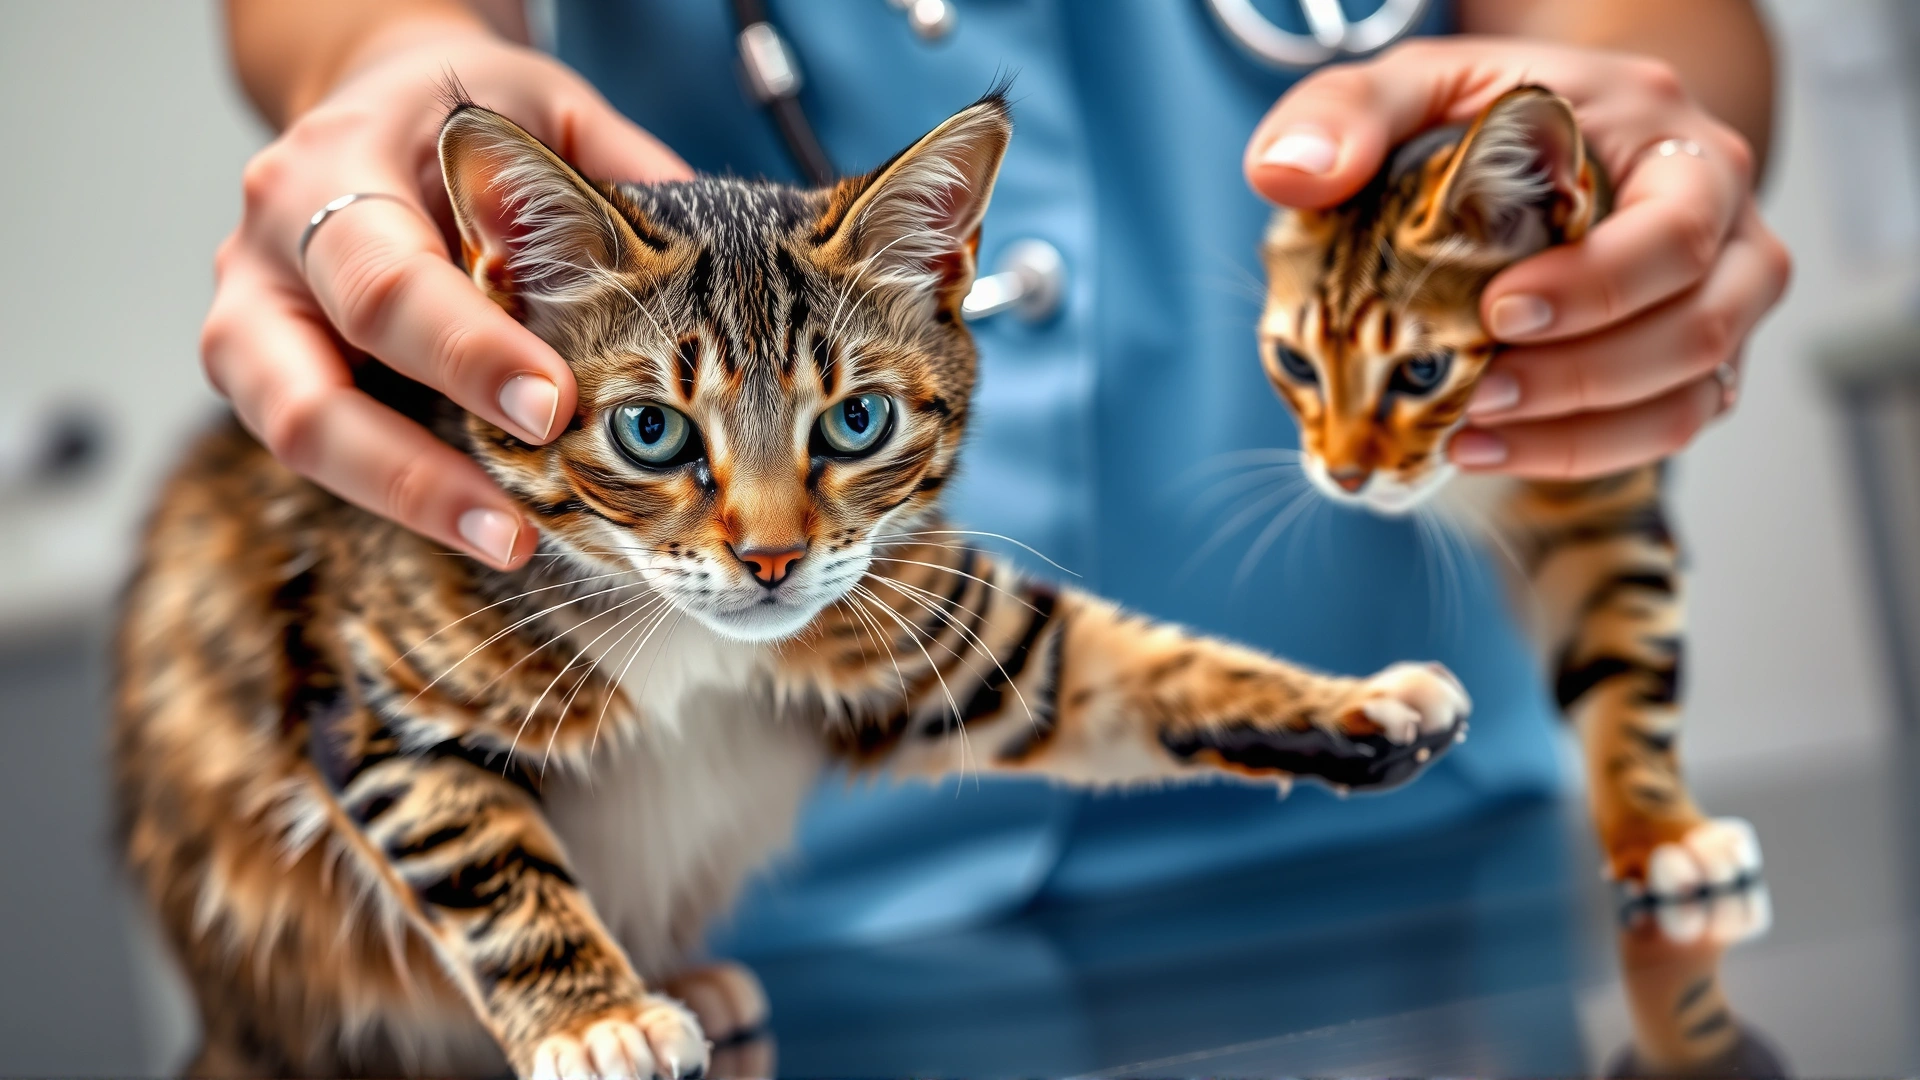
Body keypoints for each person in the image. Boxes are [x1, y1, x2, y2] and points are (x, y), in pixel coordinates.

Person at [209, 0, 1789, 954]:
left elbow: (1662, 32)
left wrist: (1627, 161)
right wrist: (387, 55)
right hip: (741, 898)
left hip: (1447, 859)